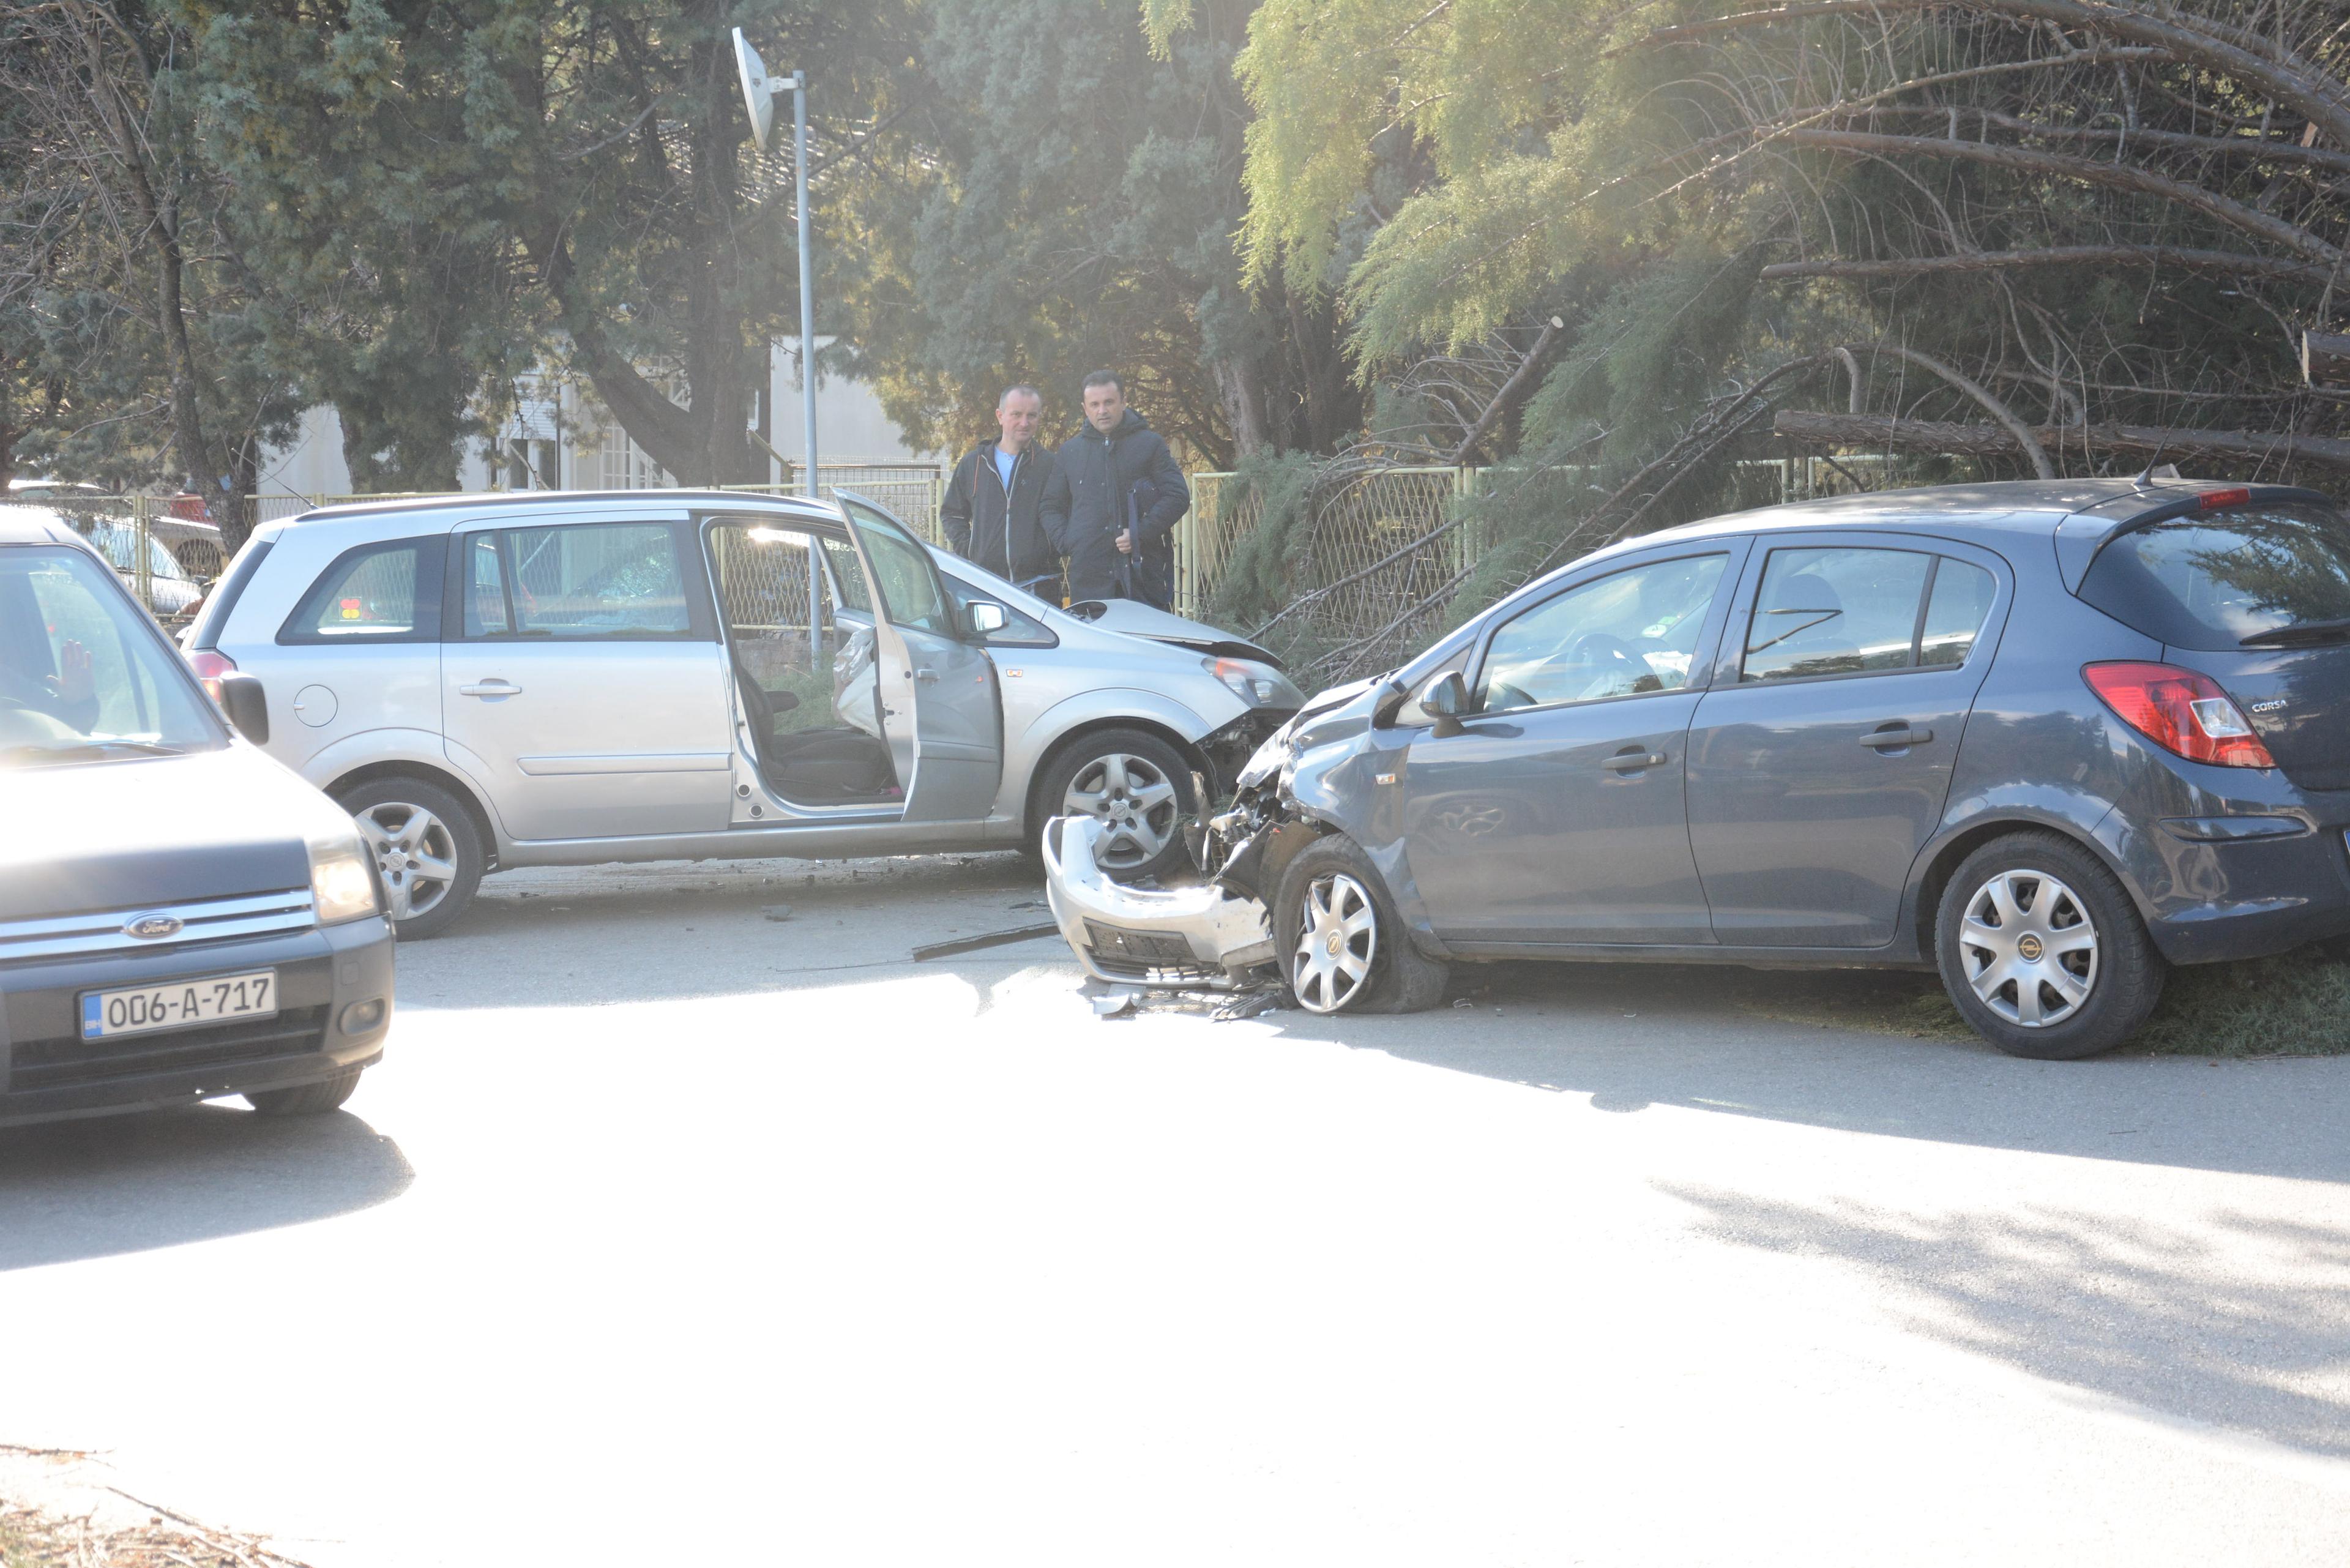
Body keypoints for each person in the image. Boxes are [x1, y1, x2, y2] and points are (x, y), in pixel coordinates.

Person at [1040, 370, 1189, 607]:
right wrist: (1070, 542)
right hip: (1089, 581)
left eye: (1109, 402)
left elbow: (1178, 496)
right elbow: (1049, 506)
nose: (1102, 410)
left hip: (1142, 579)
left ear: (1124, 401)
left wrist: (1140, 534)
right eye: (1095, 404)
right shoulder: (1070, 452)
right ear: (1085, 408)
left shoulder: (1150, 444)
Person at [940, 385, 1062, 597]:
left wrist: (1051, 550)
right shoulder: (974, 464)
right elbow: (952, 514)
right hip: (986, 586)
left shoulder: (1050, 465)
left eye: (1031, 415)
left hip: (1040, 587)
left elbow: (1063, 515)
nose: (1024, 423)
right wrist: (970, 549)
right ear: (1000, 416)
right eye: (1016, 415)